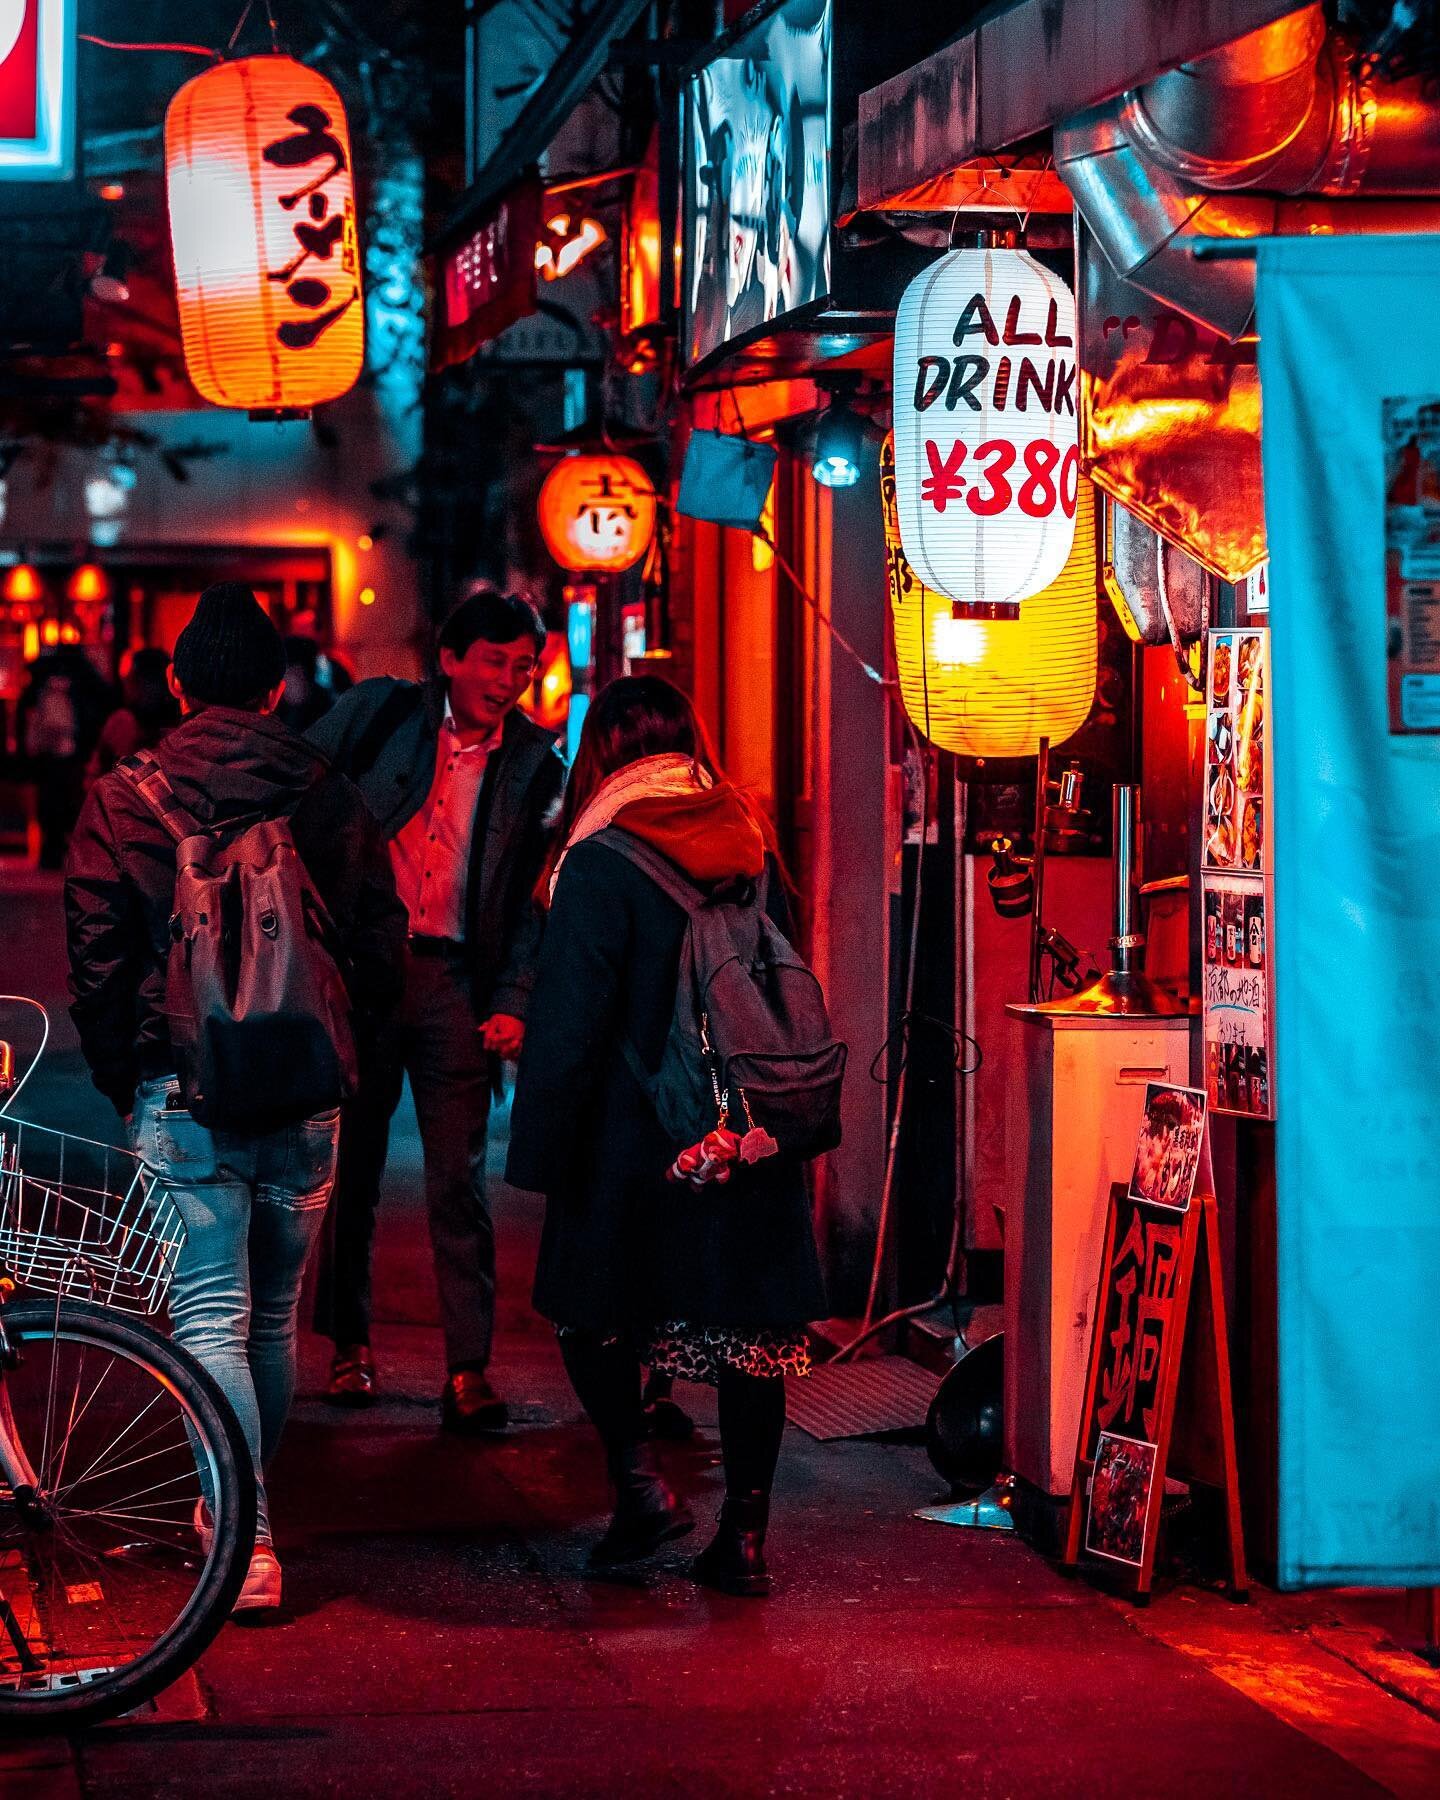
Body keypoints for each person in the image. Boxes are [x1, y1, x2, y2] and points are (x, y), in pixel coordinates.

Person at [64, 583, 407, 1611]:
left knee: (208, 1309)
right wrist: (353, 1060)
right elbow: (378, 944)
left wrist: (135, 1077)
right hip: (305, 1092)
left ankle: (246, 1540)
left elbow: (96, 960)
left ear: (175, 683)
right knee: (271, 1317)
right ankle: (247, 1511)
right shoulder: (325, 785)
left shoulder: (124, 798)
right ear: (276, 685)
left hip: (184, 1090)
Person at [506, 675, 825, 1596]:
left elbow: (568, 1018)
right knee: (751, 1334)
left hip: (633, 1135)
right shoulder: (751, 841)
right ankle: (748, 1539)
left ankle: (641, 1486)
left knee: (588, 1312)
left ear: (604, 754)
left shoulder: (599, 859)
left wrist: (542, 1151)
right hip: (745, 1126)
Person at [306, 588, 565, 1430]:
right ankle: (350, 1345)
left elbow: (532, 902)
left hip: (458, 981)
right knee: (355, 1171)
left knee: (460, 1180)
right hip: (367, 971)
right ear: (451, 657)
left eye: (524, 668)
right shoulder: (383, 717)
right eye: (496, 661)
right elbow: (301, 791)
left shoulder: (535, 765)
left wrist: (515, 1000)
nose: (510, 681)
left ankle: (468, 1369)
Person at [16, 644, 113, 867]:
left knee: (60, 802)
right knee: (57, 802)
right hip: (57, 754)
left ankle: (55, 849)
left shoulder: (50, 686)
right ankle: (55, 850)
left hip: (64, 753)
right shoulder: (75, 684)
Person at [84, 646, 181, 787]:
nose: (128, 685)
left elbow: (94, 775)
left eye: (151, 681)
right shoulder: (123, 723)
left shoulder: (124, 722)